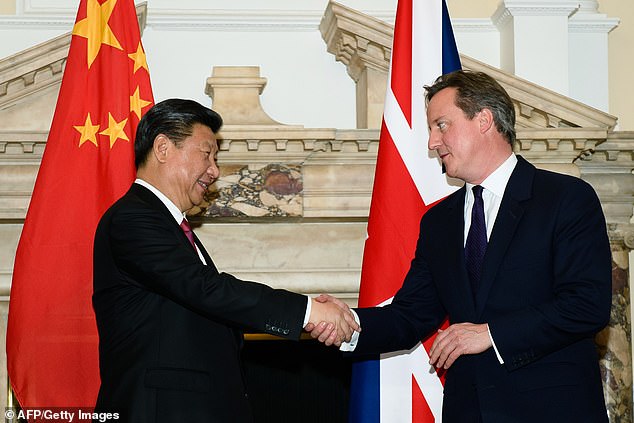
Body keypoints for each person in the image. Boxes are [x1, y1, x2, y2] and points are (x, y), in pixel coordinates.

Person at [310, 70, 612, 422]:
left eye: (441, 125)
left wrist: (491, 334)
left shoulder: (564, 199)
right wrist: (348, 322)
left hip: (551, 411)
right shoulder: (439, 221)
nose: (431, 143)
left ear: (484, 120)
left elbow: (586, 305)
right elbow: (411, 314)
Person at [92, 98, 358, 423]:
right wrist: (308, 311)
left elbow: (213, 310)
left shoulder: (169, 226)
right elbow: (207, 289)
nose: (215, 171)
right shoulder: (132, 218)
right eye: (206, 154)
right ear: (163, 148)